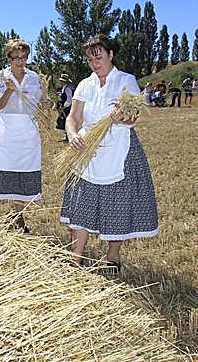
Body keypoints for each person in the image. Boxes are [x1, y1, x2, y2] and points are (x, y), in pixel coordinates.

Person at [60, 34, 158, 273]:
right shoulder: (85, 84)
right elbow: (73, 117)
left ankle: (112, 256)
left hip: (119, 149)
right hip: (87, 151)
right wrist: (73, 135)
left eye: (99, 57)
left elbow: (133, 117)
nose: (95, 63)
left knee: (118, 204)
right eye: (90, 59)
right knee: (82, 203)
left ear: (111, 54)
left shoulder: (126, 81)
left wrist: (121, 117)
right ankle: (75, 258)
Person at [0, 39, 46, 232]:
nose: (20, 61)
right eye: (16, 58)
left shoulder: (34, 78)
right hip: (6, 133)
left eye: (23, 57)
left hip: (28, 133)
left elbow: (43, 102)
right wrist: (9, 89)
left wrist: (48, 105)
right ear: (9, 58)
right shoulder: (0, 76)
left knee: (22, 175)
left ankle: (17, 217)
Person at [55, 73, 74, 141]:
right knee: (64, 121)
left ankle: (69, 137)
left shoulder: (67, 89)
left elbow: (69, 100)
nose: (61, 82)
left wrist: (63, 107)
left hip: (67, 108)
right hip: (66, 107)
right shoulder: (64, 88)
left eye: (62, 81)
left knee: (67, 121)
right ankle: (67, 136)